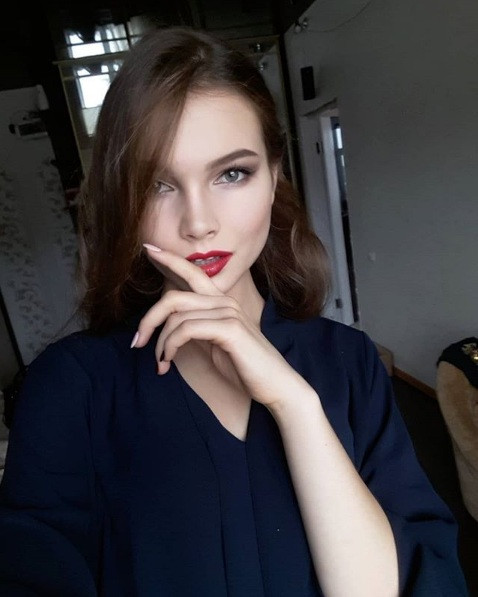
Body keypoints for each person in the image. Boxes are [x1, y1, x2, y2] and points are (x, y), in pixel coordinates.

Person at [0, 26, 468, 597]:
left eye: (232, 174)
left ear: (274, 177)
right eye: (157, 185)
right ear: (123, 201)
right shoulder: (70, 387)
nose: (199, 223)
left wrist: (295, 406)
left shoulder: (350, 362)